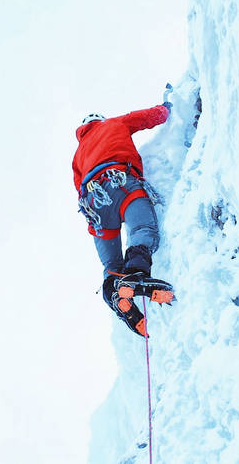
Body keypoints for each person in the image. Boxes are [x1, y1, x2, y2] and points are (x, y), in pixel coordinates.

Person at [73, 101, 175, 337]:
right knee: (143, 229)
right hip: (120, 182)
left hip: (94, 203)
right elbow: (145, 117)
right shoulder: (114, 123)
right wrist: (166, 109)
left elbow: (78, 187)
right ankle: (136, 275)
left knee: (111, 265)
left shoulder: (78, 155)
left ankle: (115, 293)